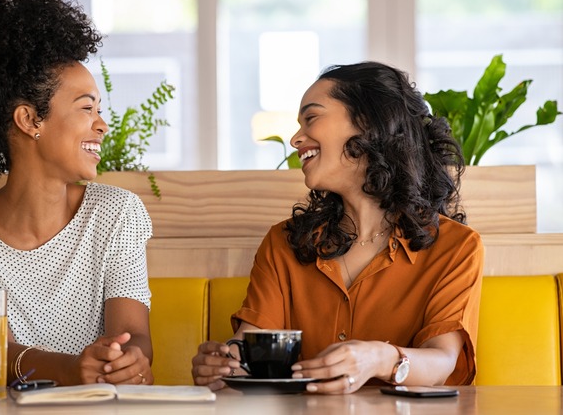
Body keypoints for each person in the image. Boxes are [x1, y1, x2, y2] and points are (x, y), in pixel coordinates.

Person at [192, 61, 484, 394]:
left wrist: (379, 358)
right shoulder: (283, 243)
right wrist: (222, 364)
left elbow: (442, 362)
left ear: (370, 122)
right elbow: (247, 352)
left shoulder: (456, 247)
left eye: (311, 118)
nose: (295, 138)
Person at [0, 0, 154, 386]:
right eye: (86, 108)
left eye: (100, 109)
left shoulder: (117, 213)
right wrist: (71, 370)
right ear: (30, 121)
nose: (102, 124)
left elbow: (137, 337)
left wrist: (130, 360)